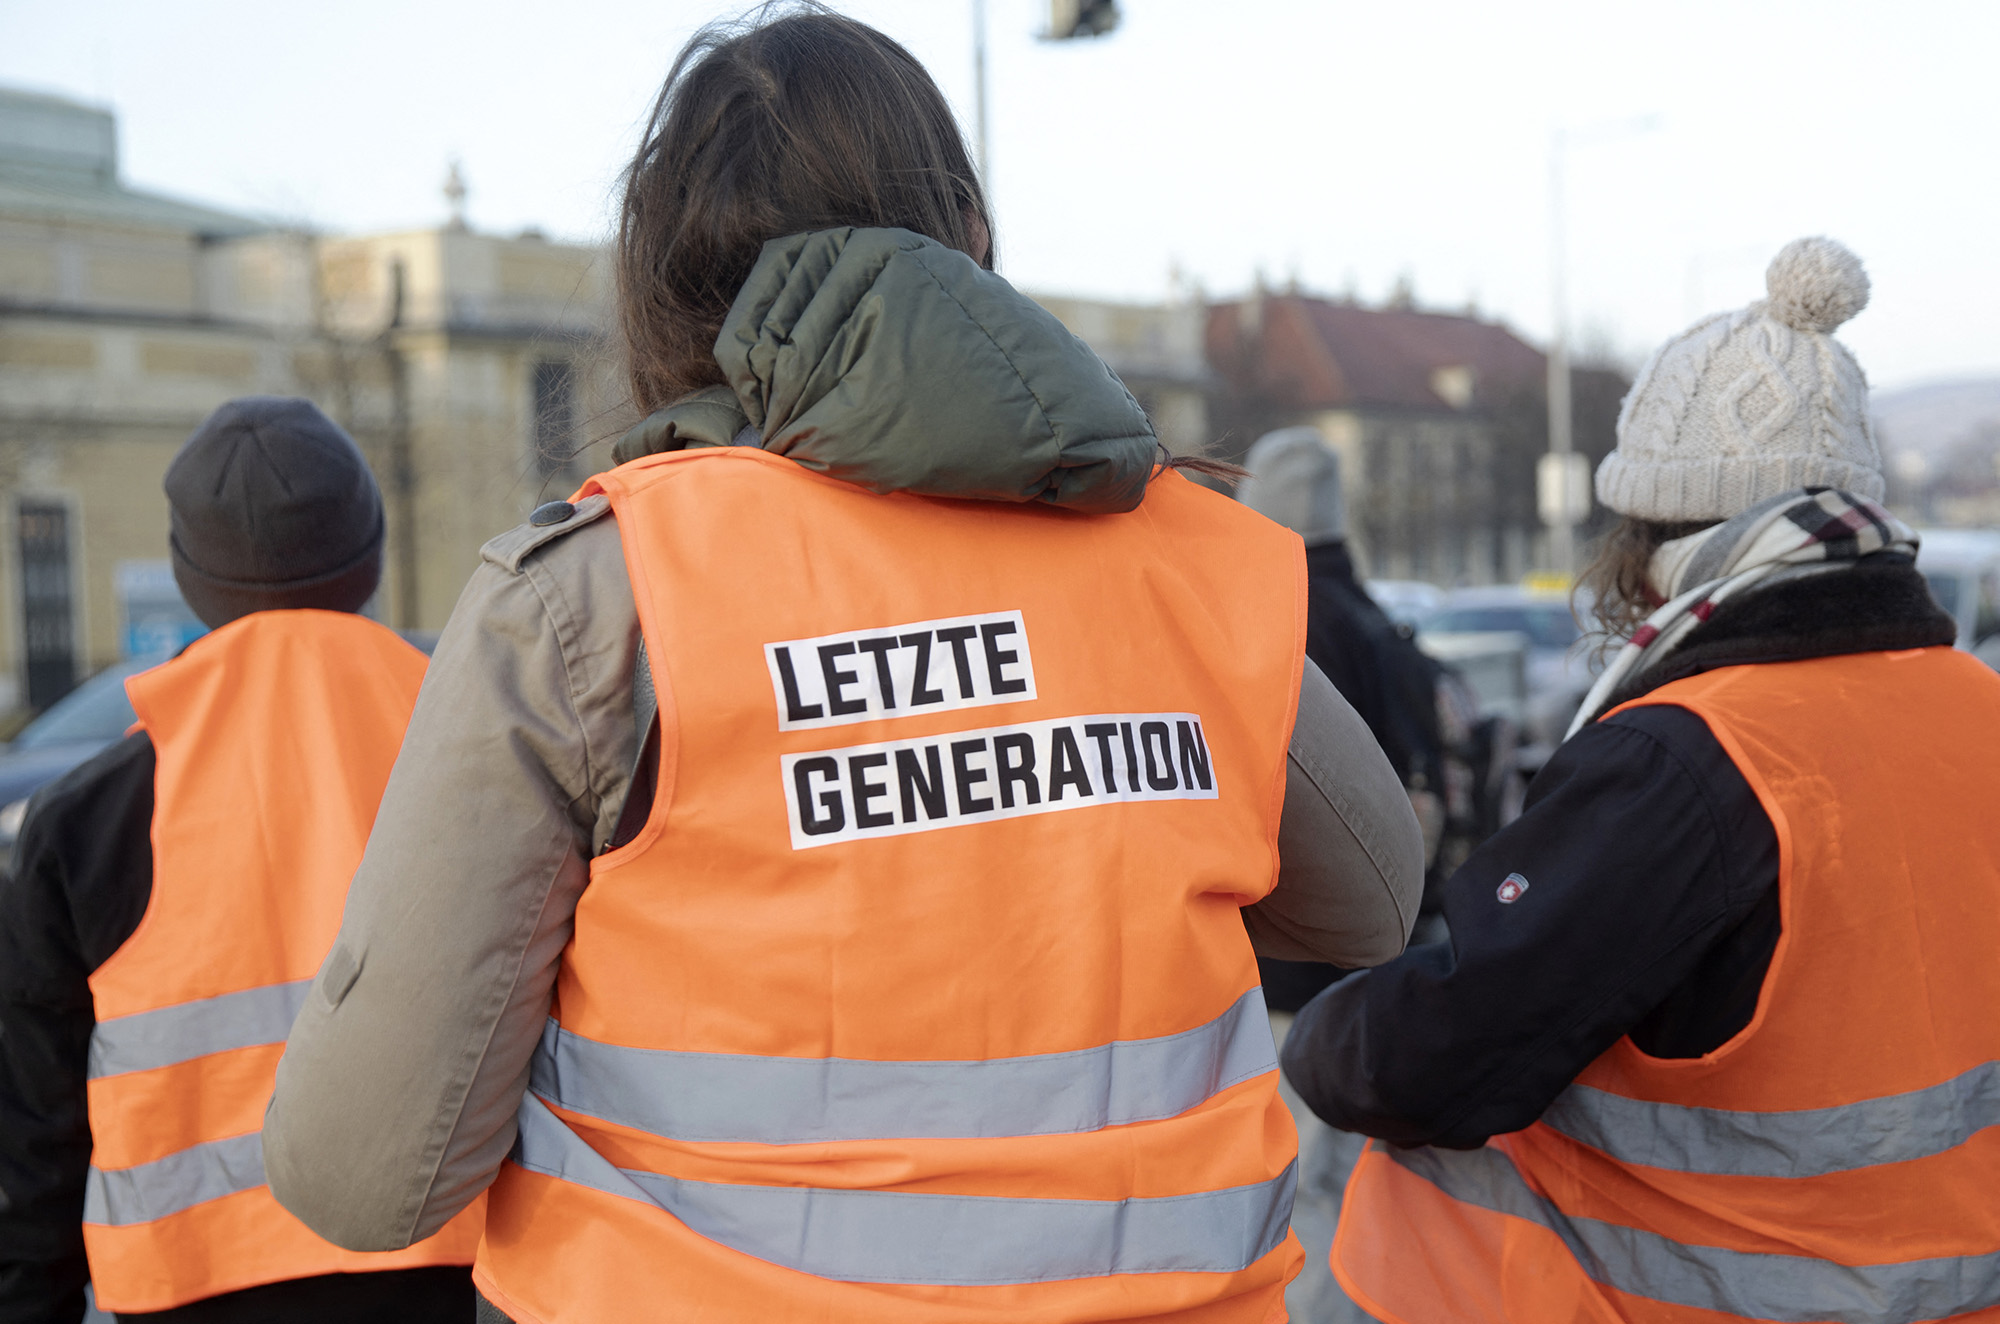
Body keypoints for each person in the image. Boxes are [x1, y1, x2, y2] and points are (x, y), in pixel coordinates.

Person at [260, 10, 1425, 1324]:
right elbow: (1370, 906)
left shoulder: (599, 596)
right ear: (967, 243)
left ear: (661, 285)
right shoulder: (1182, 554)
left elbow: (364, 1178)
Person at [1281, 238, 2000, 1323]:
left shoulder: (1693, 757)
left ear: (1656, 528)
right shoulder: (1969, 701)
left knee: (1414, 1187)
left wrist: (1323, 1029)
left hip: (1714, 1296)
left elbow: (1443, 1053)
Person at [0, 397, 484, 1323]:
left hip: (189, 1282)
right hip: (456, 1269)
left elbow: (36, 1134)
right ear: (373, 554)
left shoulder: (86, 816)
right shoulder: (488, 752)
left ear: (190, 578)